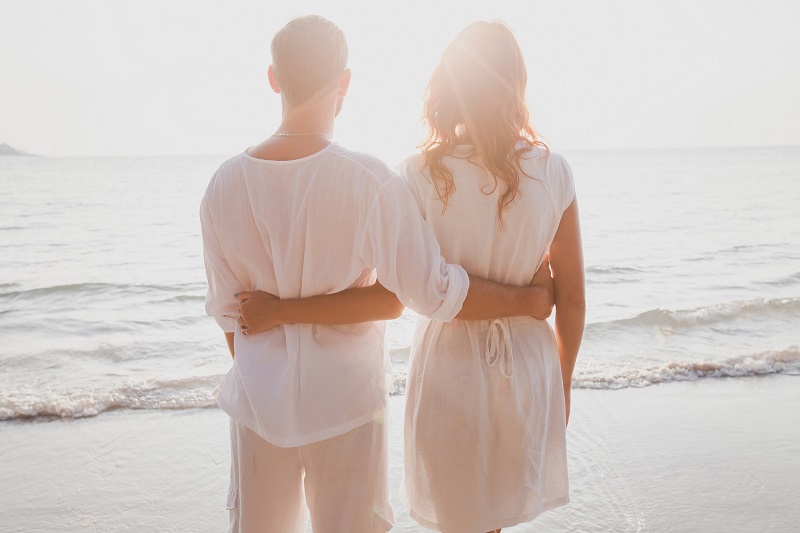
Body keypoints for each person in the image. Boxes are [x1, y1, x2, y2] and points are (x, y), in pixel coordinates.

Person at [200, 16, 555, 533]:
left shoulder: (223, 185)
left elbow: (229, 315)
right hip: (346, 403)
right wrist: (526, 301)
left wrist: (268, 361)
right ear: (344, 83)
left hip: (257, 406)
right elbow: (423, 294)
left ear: (274, 78)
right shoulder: (367, 180)